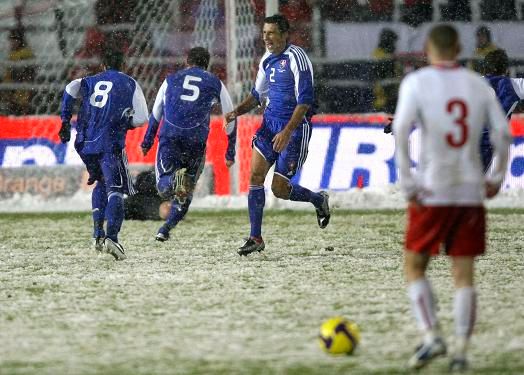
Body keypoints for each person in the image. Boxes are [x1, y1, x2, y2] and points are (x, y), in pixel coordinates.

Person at [393, 24, 511, 371]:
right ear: (459, 48)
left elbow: (401, 131)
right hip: (469, 190)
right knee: (464, 274)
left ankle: (432, 336)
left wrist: (408, 183)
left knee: (415, 266)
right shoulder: (478, 84)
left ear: (428, 49)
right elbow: (503, 133)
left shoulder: (416, 82)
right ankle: (461, 353)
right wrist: (494, 179)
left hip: (433, 189)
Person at [224, 14, 330, 256]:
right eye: (264, 33)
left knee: (280, 189)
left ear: (284, 34)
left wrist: (287, 131)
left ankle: (318, 200)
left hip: (294, 129)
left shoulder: (297, 57)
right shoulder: (266, 60)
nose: (267, 38)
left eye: (271, 33)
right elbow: (257, 95)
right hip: (269, 125)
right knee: (255, 176)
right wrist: (236, 112)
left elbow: (305, 101)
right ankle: (255, 237)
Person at [59, 46, 149, 260]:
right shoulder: (129, 83)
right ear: (124, 65)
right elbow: (142, 118)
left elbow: (71, 87)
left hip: (85, 141)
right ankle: (112, 238)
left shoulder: (90, 80)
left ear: (102, 66)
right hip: (109, 142)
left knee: (101, 181)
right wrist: (126, 121)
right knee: (115, 189)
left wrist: (64, 119)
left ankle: (97, 234)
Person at [141, 47, 237, 242]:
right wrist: (230, 150)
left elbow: (156, 111)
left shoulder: (170, 79)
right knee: (187, 189)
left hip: (171, 137)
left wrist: (147, 140)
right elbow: (230, 115)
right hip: (196, 140)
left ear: (187, 61)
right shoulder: (215, 82)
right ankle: (165, 229)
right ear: (207, 64)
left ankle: (173, 185)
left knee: (163, 186)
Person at [481, 49, 524, 171]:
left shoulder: (470, 83)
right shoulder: (512, 86)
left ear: (484, 68)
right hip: (485, 147)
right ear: (506, 70)